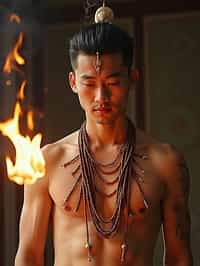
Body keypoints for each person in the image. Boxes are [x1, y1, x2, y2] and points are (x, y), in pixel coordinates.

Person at [15, 18, 193, 266]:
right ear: (73, 82)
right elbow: (29, 254)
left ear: (133, 78)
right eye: (89, 83)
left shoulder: (165, 163)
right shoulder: (48, 161)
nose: (101, 97)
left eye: (113, 82)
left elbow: (179, 256)